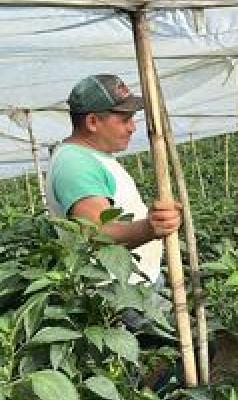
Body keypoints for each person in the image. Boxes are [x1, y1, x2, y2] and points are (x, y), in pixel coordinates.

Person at [46, 74, 182, 285]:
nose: (132, 128)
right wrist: (150, 228)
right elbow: (98, 234)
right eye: (125, 120)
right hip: (118, 294)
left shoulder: (92, 156)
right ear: (92, 121)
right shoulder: (75, 163)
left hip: (134, 284)